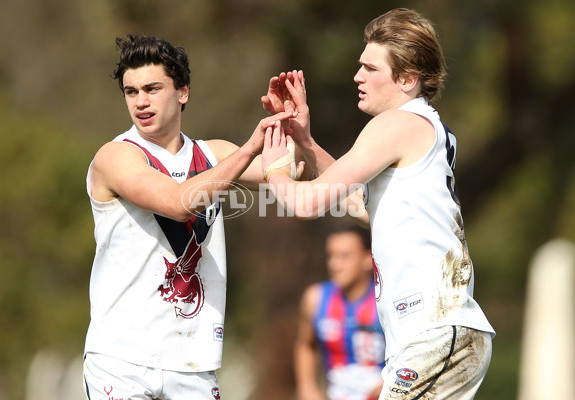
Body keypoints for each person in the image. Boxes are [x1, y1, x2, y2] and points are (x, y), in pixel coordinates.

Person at [260, 8, 495, 400]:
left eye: (370, 68)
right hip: (439, 335)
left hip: (435, 332)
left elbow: (306, 203)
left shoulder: (396, 124)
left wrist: (275, 170)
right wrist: (306, 142)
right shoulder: (421, 126)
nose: (358, 77)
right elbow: (362, 204)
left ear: (407, 79)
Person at [82, 34, 301, 400]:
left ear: (182, 92)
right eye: (131, 91)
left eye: (152, 88)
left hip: (193, 364)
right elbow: (178, 203)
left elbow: (295, 174)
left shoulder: (214, 153)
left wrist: (292, 125)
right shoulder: (116, 156)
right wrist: (250, 148)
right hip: (122, 362)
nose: (140, 102)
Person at [295, 226, 385, 400]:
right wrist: (306, 387)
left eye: (345, 256)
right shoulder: (315, 298)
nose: (334, 264)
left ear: (368, 258)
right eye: (330, 256)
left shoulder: (384, 300)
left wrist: (390, 383)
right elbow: (305, 344)